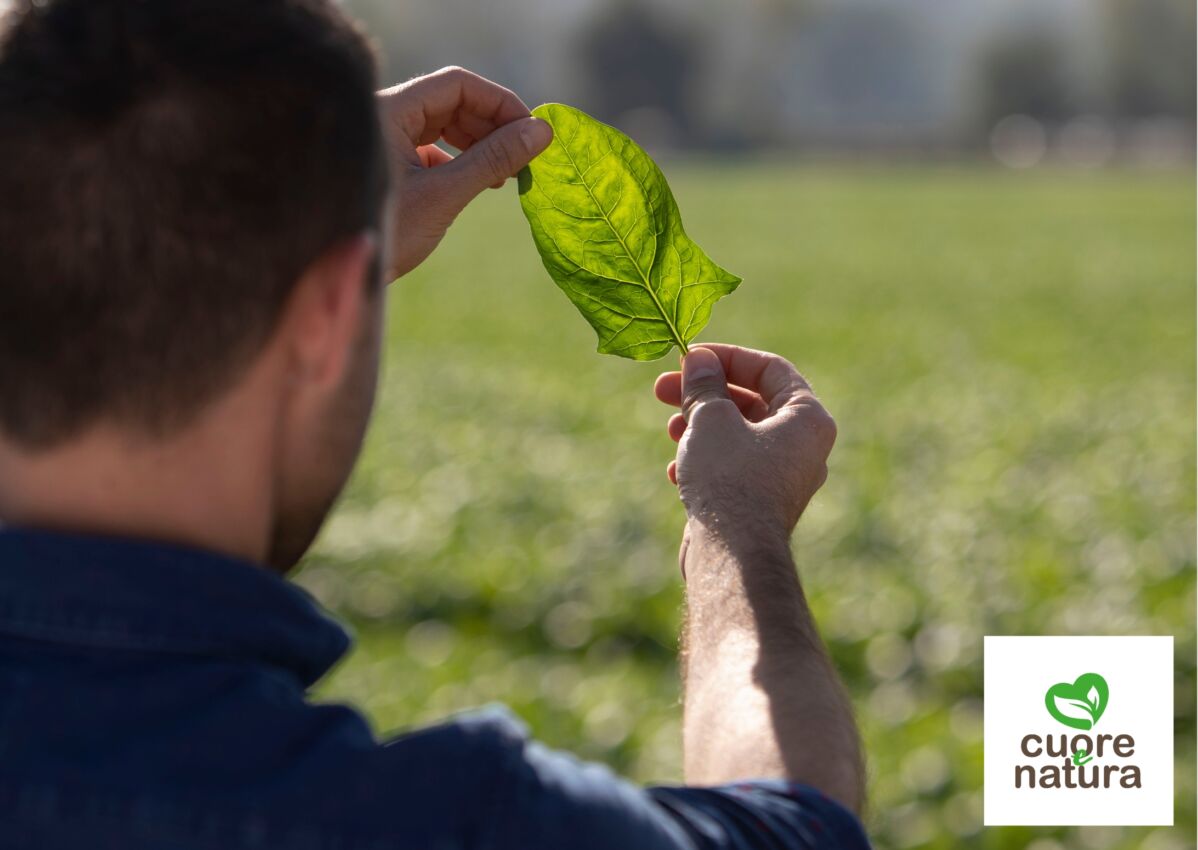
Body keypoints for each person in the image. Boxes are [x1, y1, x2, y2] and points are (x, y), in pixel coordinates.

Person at [0, 1, 869, 847]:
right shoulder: (451, 822)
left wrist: (300, 258)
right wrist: (738, 530)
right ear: (328, 313)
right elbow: (796, 826)